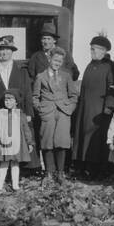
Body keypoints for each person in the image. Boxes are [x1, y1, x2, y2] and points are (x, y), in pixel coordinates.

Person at [0, 35, 40, 171]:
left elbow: (27, 92)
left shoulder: (21, 71)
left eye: (7, 50)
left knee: (18, 138)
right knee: (0, 138)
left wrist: (28, 113)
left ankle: (23, 168)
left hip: (17, 112)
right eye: (1, 50)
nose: (4, 53)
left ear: (12, 51)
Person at [72, 34, 114, 179]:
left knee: (98, 140)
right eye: (91, 49)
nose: (92, 52)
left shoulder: (109, 66)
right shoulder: (90, 65)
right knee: (84, 137)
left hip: (101, 110)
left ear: (104, 51)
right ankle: (84, 167)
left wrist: (109, 106)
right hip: (86, 108)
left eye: (95, 49)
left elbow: (113, 88)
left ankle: (100, 170)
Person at [32, 46, 79, 184]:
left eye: (60, 61)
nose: (57, 63)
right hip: (47, 112)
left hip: (63, 112)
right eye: (55, 60)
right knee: (47, 143)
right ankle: (48, 173)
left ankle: (60, 173)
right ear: (49, 59)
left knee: (61, 143)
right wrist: (41, 109)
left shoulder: (66, 76)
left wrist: (69, 109)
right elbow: (35, 96)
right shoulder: (40, 76)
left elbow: (73, 95)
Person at [0, 91, 34, 193]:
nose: (8, 102)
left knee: (15, 164)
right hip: (4, 143)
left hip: (17, 144)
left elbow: (26, 130)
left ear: (16, 102)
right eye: (6, 100)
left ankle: (15, 185)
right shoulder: (0, 114)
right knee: (4, 164)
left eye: (10, 99)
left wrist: (30, 143)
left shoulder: (21, 115)